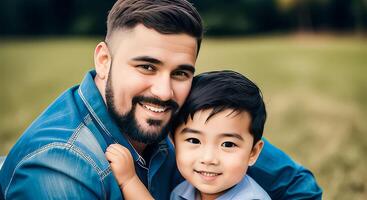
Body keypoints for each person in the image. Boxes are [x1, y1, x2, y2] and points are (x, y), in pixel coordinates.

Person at [0, 0, 322, 199]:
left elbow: (297, 188)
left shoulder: (190, 123)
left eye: (181, 73)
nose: (164, 92)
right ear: (103, 60)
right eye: (146, 66)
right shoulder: (60, 170)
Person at [106, 70, 272, 200]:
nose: (208, 158)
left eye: (228, 144)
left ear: (253, 153)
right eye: (194, 140)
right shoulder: (182, 192)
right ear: (173, 142)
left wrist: (129, 181)